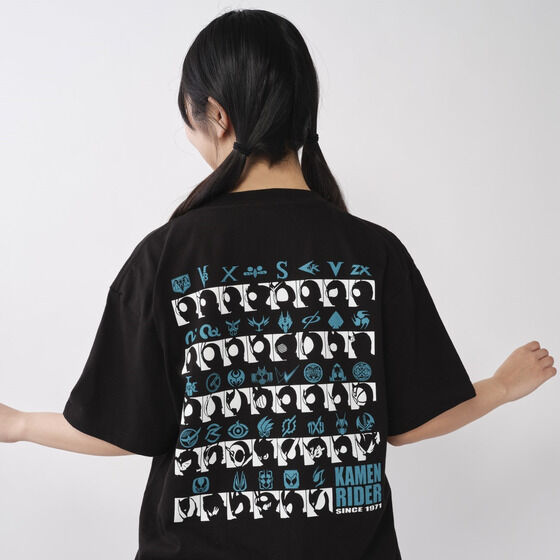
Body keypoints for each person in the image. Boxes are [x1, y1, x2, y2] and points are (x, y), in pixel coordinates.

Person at [0, 8, 555, 560]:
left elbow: (119, 426)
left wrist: (21, 424)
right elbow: (414, 420)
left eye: (188, 116)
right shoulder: (374, 253)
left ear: (217, 115)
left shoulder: (166, 257)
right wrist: (501, 387)